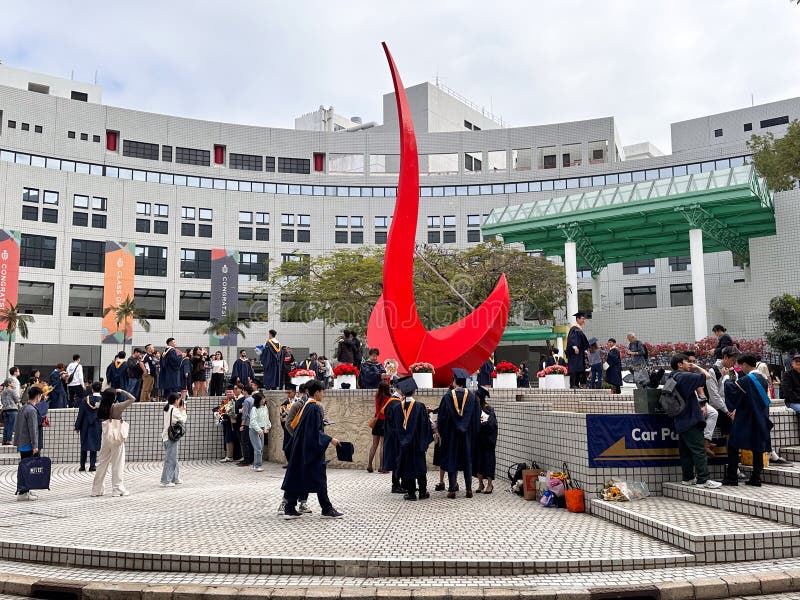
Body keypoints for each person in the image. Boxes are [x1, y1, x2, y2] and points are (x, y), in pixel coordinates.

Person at [281, 380, 344, 519]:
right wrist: (330, 439)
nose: (323, 394)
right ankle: (326, 509)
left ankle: (290, 507)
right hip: (310, 450)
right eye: (322, 392)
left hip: (301, 447)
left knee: (298, 476)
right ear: (316, 392)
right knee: (320, 479)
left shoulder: (306, 406)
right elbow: (314, 432)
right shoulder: (314, 407)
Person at [668, 353, 722, 489]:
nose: (689, 364)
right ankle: (703, 479)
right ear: (680, 364)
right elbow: (707, 376)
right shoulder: (685, 376)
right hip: (691, 419)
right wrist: (697, 367)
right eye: (687, 362)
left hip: (680, 420)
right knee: (698, 450)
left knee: (685, 451)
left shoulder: (672, 376)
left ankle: (688, 478)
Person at [723, 353, 773, 487]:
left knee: (733, 445)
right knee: (757, 447)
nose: (741, 368)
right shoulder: (762, 378)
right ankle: (756, 478)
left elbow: (733, 392)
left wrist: (727, 378)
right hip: (760, 417)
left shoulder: (747, 380)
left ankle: (732, 477)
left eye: (741, 365)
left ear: (745, 364)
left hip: (746, 417)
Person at [437, 367, 481, 498]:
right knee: (467, 460)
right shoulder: (473, 397)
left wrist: (443, 432)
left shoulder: (448, 397)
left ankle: (451, 490)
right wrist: (473, 433)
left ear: (455, 381)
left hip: (451, 435)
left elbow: (442, 417)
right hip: (467, 435)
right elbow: (476, 418)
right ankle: (468, 490)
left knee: (452, 459)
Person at [393, 376, 433, 501]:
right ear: (414, 391)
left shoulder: (396, 408)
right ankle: (422, 492)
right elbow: (425, 426)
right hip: (417, 443)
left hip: (403, 444)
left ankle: (411, 493)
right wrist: (424, 442)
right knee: (420, 467)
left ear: (403, 392)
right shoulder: (420, 407)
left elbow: (394, 428)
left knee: (408, 467)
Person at [91, 387, 136, 497]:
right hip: (116, 437)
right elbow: (132, 398)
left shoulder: (102, 406)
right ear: (114, 397)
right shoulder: (117, 407)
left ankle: (96, 490)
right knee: (117, 463)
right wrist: (122, 391)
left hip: (106, 436)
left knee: (102, 463)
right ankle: (117, 488)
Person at [14, 386, 42, 501]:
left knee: (24, 467)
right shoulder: (31, 410)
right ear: (38, 396)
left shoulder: (23, 408)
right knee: (27, 468)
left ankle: (25, 490)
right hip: (28, 444)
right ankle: (23, 492)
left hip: (22, 442)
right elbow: (33, 429)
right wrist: (35, 445)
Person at [160, 392, 187, 487]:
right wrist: (183, 410)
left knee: (173, 457)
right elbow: (183, 420)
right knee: (171, 459)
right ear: (175, 401)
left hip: (166, 436)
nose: (179, 402)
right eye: (178, 400)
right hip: (171, 437)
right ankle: (166, 481)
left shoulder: (167, 408)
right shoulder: (174, 410)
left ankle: (175, 478)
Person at [381, 389, 405, 493]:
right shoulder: (395, 403)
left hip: (393, 434)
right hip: (395, 435)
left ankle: (401, 484)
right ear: (399, 389)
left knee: (398, 460)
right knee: (397, 460)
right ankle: (396, 485)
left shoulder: (394, 401)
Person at [75, 381, 102, 472]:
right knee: (94, 445)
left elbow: (81, 413)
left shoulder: (85, 400)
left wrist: (77, 426)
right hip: (97, 424)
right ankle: (92, 465)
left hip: (85, 424)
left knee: (84, 444)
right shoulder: (103, 400)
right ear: (100, 389)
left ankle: (82, 466)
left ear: (92, 389)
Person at [475, 387, 497, 494]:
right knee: (478, 461)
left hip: (487, 441)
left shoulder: (489, 409)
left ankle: (489, 484)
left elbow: (492, 424)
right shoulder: (475, 409)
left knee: (488, 462)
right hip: (478, 439)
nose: (475, 399)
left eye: (477, 397)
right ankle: (480, 483)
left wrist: (482, 424)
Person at [368, 382, 392, 473]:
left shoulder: (377, 396)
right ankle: (381, 467)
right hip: (384, 422)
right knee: (382, 445)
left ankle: (369, 465)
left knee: (374, 445)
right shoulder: (389, 398)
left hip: (377, 421)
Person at [249, 392, 271, 472]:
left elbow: (266, 418)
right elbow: (253, 421)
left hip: (261, 429)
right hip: (254, 430)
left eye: (264, 398)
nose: (263, 400)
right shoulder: (254, 409)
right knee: (258, 448)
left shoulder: (265, 407)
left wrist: (267, 427)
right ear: (258, 400)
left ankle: (255, 465)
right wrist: (259, 430)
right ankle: (258, 465)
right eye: (262, 399)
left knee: (260, 448)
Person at [567, 312, 590, 388]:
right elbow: (572, 339)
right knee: (574, 368)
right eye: (582, 319)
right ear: (578, 319)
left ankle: (577, 384)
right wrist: (574, 347)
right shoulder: (574, 329)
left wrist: (585, 350)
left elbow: (583, 341)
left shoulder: (579, 329)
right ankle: (573, 384)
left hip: (579, 353)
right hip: (575, 353)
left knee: (579, 368)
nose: (584, 320)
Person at [236, 384, 254, 467]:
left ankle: (246, 460)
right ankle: (250, 459)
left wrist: (242, 425)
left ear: (245, 391)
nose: (242, 391)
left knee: (244, 442)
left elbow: (245, 414)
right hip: (252, 423)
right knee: (250, 442)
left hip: (246, 423)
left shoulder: (246, 401)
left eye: (243, 390)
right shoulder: (253, 399)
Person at [1, 377, 21, 445]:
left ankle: (4, 440)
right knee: (11, 426)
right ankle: (9, 440)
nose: (14, 383)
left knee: (6, 425)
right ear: (9, 383)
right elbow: (17, 400)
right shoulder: (12, 391)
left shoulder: (3, 392)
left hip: (5, 409)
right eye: (12, 382)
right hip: (12, 409)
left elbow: (2, 401)